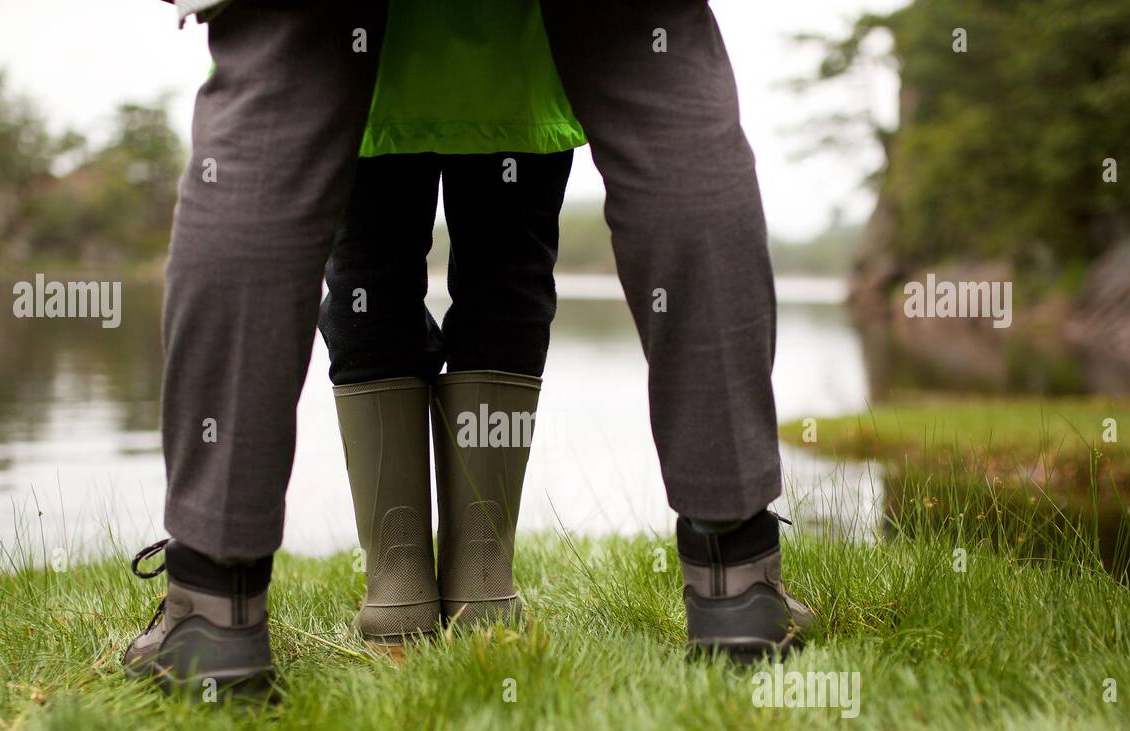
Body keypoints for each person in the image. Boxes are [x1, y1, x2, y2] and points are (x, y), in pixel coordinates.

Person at [126, 0, 813, 695]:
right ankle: (733, 581)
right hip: (512, 69)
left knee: (278, 82)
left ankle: (221, 610)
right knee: (653, 67)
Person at [317, 2, 582, 655]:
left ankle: (398, 589)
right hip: (511, 55)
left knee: (369, 282)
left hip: (365, 59)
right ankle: (482, 587)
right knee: (507, 278)